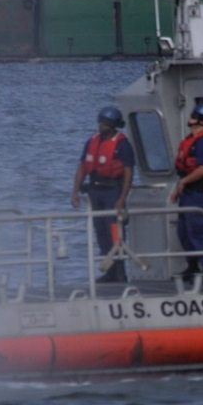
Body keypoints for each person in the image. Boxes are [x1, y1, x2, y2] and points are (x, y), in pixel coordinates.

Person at [72, 106, 135, 283]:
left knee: (115, 231)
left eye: (106, 122)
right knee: (101, 232)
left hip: (112, 191)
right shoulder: (92, 140)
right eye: (101, 121)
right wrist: (75, 191)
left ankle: (121, 273)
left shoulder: (122, 144)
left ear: (114, 125)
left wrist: (122, 198)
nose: (101, 125)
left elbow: (128, 172)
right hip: (94, 190)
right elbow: (83, 167)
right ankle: (110, 270)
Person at [170, 103, 203, 285]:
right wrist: (178, 189)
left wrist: (183, 182)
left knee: (197, 230)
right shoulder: (192, 139)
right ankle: (192, 265)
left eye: (194, 115)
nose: (190, 118)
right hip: (187, 193)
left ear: (202, 120)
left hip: (198, 193)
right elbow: (184, 172)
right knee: (183, 231)